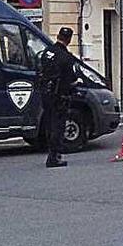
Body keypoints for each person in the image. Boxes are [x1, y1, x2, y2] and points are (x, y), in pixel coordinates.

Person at [36, 27, 78, 168]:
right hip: (59, 96)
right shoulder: (66, 57)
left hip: (45, 94)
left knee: (49, 124)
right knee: (58, 127)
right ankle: (54, 157)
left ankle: (51, 153)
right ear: (69, 39)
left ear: (58, 36)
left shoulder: (47, 52)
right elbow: (70, 79)